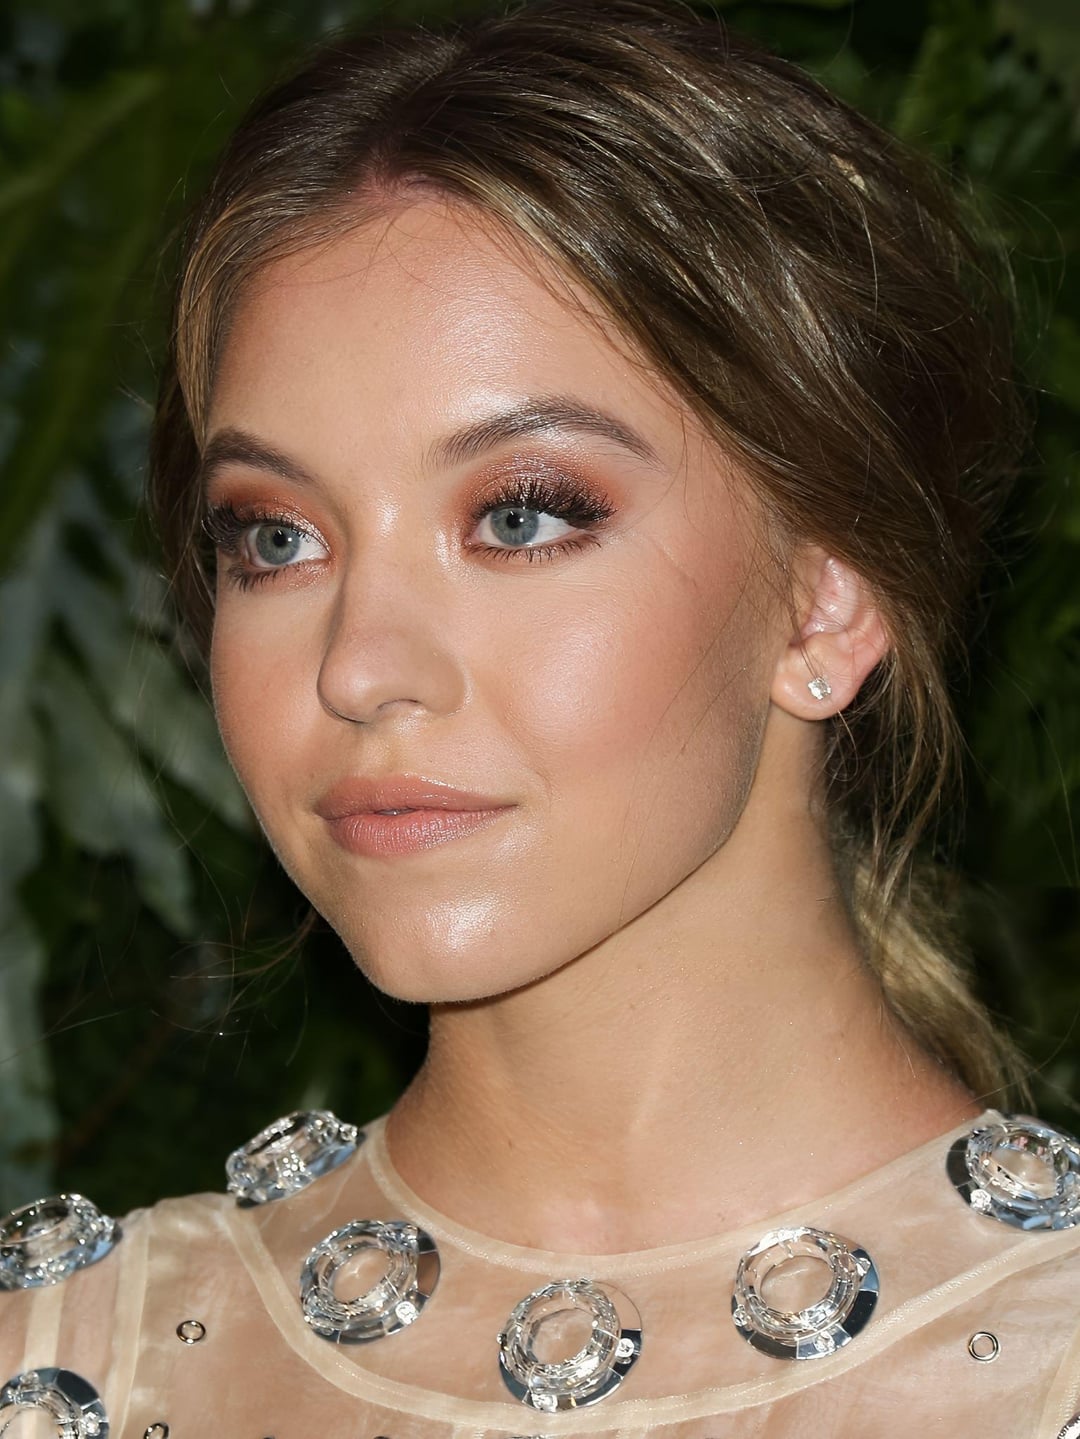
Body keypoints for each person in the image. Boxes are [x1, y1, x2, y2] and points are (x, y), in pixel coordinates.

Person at [2, 2, 1079, 1434]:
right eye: (276, 537)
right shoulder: (62, 1365)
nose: (357, 669)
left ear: (823, 602)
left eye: (519, 516)